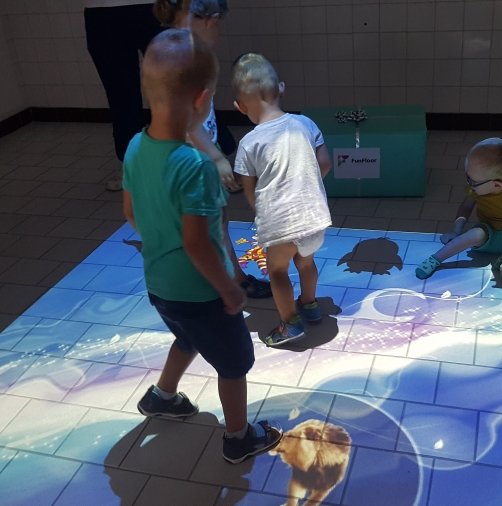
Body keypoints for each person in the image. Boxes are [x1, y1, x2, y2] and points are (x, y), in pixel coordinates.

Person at [123, 28, 281, 464]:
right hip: (202, 291)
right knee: (233, 364)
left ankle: (162, 396)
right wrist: (230, 287)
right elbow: (197, 243)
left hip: (160, 284)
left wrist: (160, 238)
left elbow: (130, 211)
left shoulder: (135, 146)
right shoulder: (195, 167)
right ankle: (238, 437)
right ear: (203, 100)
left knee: (186, 337)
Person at [152, 0, 272, 298]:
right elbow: (187, 120)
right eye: (219, 24)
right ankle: (224, 282)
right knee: (208, 223)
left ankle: (229, 276)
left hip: (190, 151)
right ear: (209, 19)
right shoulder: (187, 57)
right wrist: (216, 156)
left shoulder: (172, 48)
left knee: (214, 219)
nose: (219, 32)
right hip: (192, 156)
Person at [231, 53, 332, 347]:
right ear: (282, 88)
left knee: (277, 271)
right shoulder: (305, 123)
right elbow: (325, 163)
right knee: (306, 262)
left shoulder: (249, 142)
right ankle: (310, 305)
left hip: (281, 223)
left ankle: (290, 323)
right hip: (314, 217)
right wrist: (306, 186)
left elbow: (248, 188)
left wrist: (261, 211)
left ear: (240, 106)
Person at [84, 0, 237, 191]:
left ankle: (215, 156)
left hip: (150, 6)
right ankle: (133, 168)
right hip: (101, 11)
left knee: (186, 85)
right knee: (122, 99)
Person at [414, 137, 502, 283]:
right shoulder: (476, 188)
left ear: (496, 185)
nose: (469, 184)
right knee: (475, 233)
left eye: (472, 181)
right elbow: (466, 207)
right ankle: (436, 259)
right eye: (468, 178)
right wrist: (456, 231)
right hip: (488, 236)